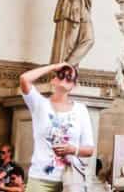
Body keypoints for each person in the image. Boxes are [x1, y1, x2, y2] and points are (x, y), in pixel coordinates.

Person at [19, 62, 94, 192]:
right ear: (53, 80)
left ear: (73, 85)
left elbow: (89, 149)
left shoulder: (81, 110)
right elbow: (24, 79)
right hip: (40, 178)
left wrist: (72, 149)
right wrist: (54, 67)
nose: (64, 78)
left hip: (71, 180)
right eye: (60, 75)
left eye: (69, 77)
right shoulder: (40, 104)